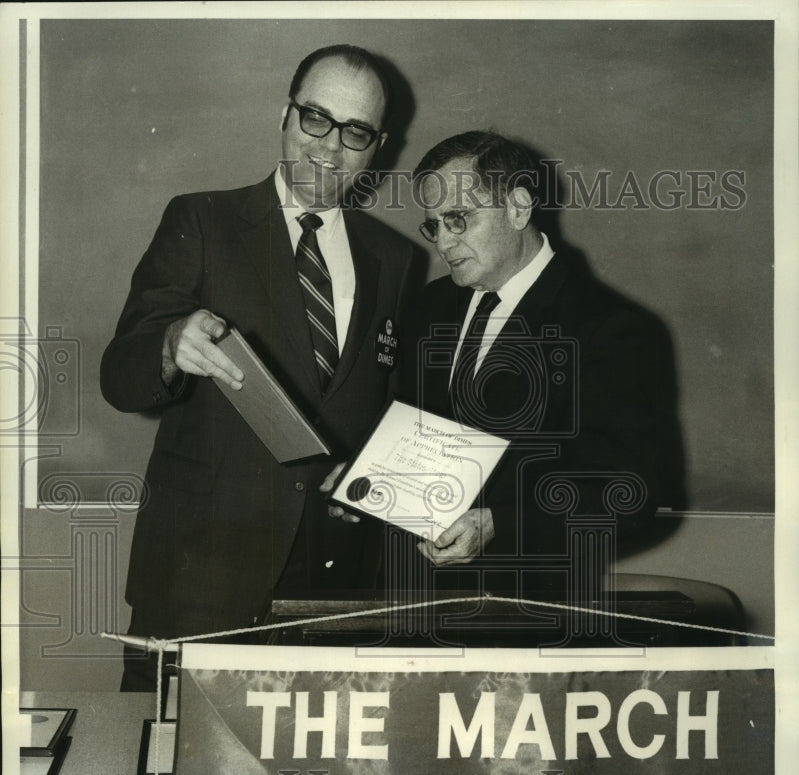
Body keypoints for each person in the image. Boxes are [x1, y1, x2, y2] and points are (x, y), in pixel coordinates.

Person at [101, 45, 415, 689]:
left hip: (333, 593)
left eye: (354, 132)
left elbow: (391, 405)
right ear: (285, 114)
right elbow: (119, 375)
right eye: (315, 119)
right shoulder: (202, 220)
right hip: (195, 583)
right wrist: (168, 344)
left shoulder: (396, 259)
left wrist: (375, 483)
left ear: (376, 146)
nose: (329, 146)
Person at [404, 131, 678, 617]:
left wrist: (498, 524)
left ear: (518, 207)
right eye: (434, 226)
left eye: (458, 219)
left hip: (530, 612)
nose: (443, 242)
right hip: (408, 596)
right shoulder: (430, 306)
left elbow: (629, 494)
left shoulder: (612, 328)